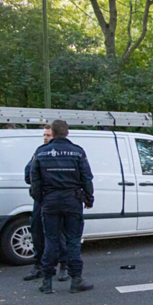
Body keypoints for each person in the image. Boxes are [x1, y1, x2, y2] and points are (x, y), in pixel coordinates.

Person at [30, 119, 95, 294]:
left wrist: (41, 199)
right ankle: (76, 280)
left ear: (54, 133)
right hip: (72, 200)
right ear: (66, 133)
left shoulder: (41, 152)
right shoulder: (77, 152)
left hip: (50, 200)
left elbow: (34, 181)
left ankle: (47, 281)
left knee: (51, 240)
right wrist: (89, 199)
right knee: (73, 240)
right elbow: (86, 178)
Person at [23, 125, 68, 282]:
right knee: (37, 231)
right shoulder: (40, 151)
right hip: (41, 199)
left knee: (60, 233)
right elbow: (29, 174)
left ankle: (64, 266)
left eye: (48, 135)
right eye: (44, 135)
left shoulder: (63, 153)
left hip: (57, 198)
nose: (45, 137)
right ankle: (39, 266)